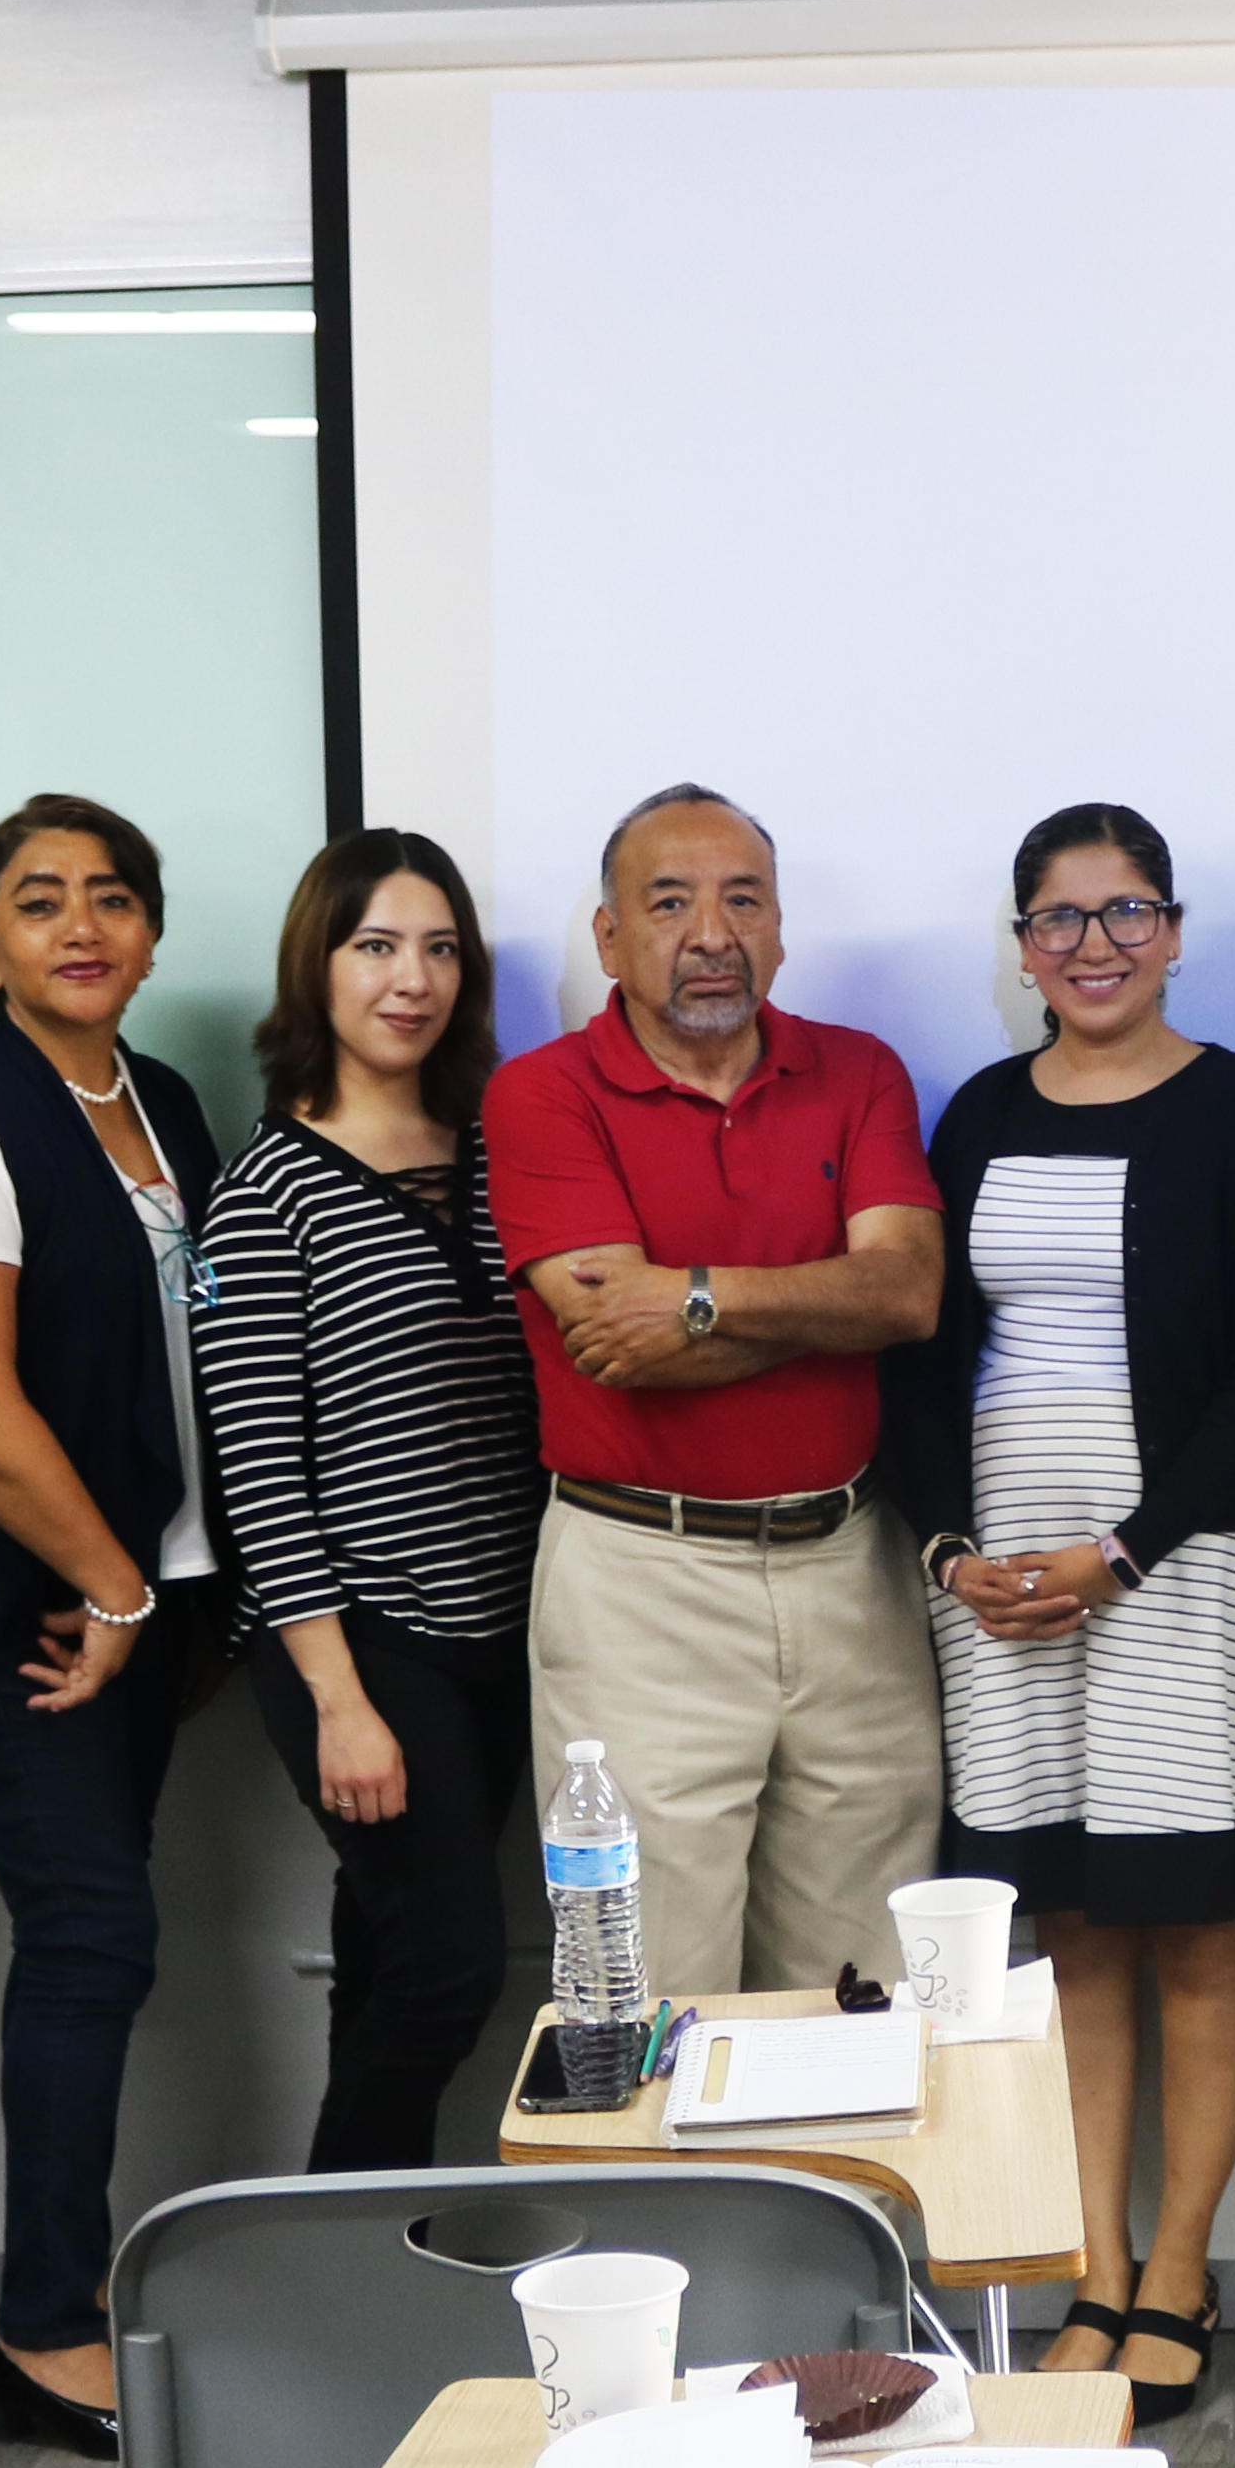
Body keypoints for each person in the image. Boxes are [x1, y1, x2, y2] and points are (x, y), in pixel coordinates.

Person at [880, 805, 1235, 2427]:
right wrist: (952, 1549)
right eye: (1059, 919)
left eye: (1124, 911)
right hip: (1005, 1580)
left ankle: (1182, 2272)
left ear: (1172, 927)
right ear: (1019, 947)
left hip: (1182, 1565)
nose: (1092, 945)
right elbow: (926, 1357)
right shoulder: (976, 1114)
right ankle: (1094, 2266)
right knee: (1069, 1922)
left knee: (1196, 1916)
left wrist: (1127, 1547)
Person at [0, 795, 238, 2459]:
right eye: (38, 902)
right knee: (91, 1935)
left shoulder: (154, 1100)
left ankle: (64, 2303)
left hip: (144, 1593)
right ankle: (34, 2329)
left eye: (111, 897)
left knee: (107, 1933)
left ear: (149, 932)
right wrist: (110, 1586)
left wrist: (159, 1589)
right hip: (35, 1607)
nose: (80, 924)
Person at [486, 785, 945, 1998]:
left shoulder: (857, 1072)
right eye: (670, 900)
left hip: (854, 1575)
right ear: (608, 939)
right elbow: (609, 1338)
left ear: (781, 928)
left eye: (743, 898)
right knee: (648, 1994)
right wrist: (820, 1301)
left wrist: (693, 1296)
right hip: (642, 1584)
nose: (710, 932)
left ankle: (835, 2201)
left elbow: (906, 1294)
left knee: (863, 1991)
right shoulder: (540, 1094)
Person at [200, 830, 545, 2173]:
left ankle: (357, 2274)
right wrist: (339, 1698)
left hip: (505, 1628)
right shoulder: (264, 1191)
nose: (413, 979)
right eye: (377, 945)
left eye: (441, 947)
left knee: (390, 1955)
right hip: (364, 1639)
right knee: (448, 1970)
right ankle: (320, 2259)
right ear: (319, 966)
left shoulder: (504, 1151)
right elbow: (257, 1471)